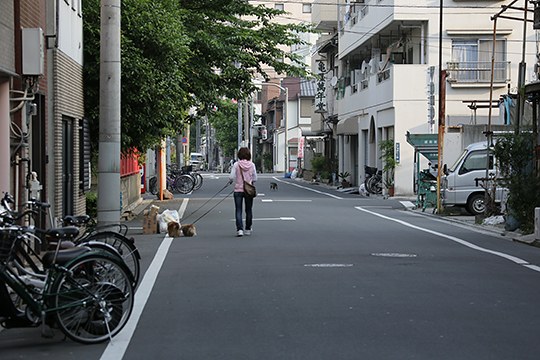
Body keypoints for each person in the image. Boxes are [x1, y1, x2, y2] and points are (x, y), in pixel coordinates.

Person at [228, 147, 257, 237]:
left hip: (238, 190)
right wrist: (250, 181)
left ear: (239, 155)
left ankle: (239, 229)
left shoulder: (236, 165)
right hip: (248, 191)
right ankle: (248, 229)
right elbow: (255, 178)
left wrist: (232, 180)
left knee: (238, 210)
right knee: (248, 210)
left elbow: (231, 177)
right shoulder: (252, 165)